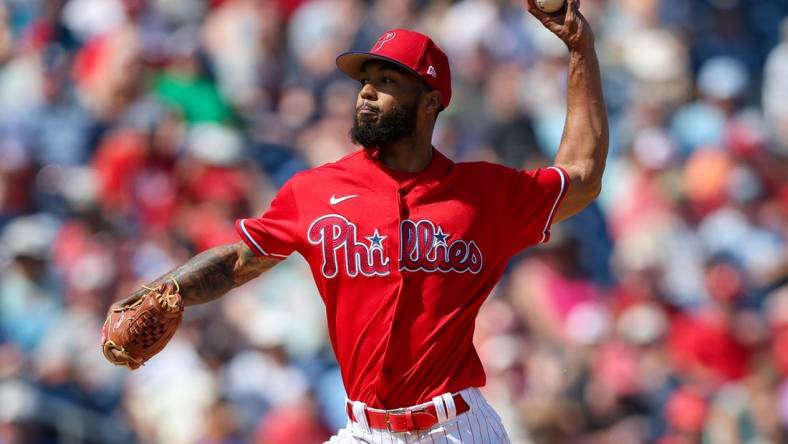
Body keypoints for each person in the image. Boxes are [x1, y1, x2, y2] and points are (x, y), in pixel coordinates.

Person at [106, 0, 608, 441]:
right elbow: (240, 260)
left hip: (457, 429)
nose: (366, 92)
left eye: (386, 81)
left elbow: (581, 175)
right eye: (365, 81)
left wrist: (580, 50)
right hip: (363, 430)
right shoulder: (315, 190)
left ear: (431, 100)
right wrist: (167, 288)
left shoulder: (485, 193)